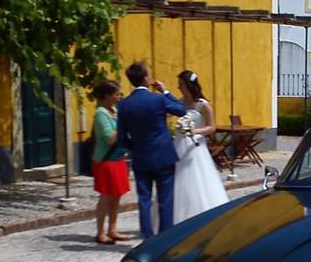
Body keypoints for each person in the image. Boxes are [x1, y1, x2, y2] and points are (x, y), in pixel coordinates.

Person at [117, 61, 186, 239]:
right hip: (163, 154)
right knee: (165, 198)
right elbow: (181, 110)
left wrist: (135, 148)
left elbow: (122, 138)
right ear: (146, 77)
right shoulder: (158, 99)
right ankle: (165, 237)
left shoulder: (124, 105)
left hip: (140, 156)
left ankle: (147, 235)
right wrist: (166, 91)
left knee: (144, 199)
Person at [173, 70, 230, 223]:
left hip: (196, 146)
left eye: (182, 85)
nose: (179, 88)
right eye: (179, 86)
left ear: (190, 86)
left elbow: (212, 127)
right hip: (180, 144)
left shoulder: (203, 105)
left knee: (197, 178)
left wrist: (194, 131)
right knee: (179, 179)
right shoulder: (179, 102)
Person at [91, 80, 130, 245]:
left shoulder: (114, 111)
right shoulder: (101, 113)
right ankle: (100, 232)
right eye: (116, 94)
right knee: (106, 196)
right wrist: (124, 123)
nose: (119, 96)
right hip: (106, 160)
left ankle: (112, 229)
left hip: (118, 158)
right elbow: (109, 138)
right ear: (107, 96)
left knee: (117, 195)